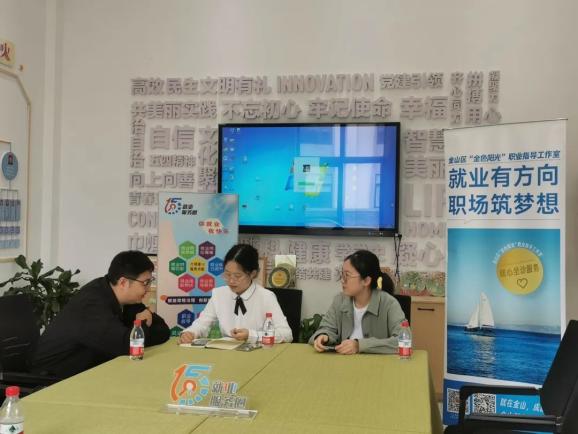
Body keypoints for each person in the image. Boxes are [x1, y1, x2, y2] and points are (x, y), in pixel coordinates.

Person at [31, 251, 170, 378]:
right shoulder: (92, 303)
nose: (148, 289)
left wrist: (141, 326)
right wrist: (144, 323)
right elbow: (128, 346)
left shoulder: (126, 298)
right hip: (53, 379)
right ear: (123, 282)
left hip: (89, 371)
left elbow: (163, 331)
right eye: (145, 283)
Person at [178, 244, 293, 344]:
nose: (231, 281)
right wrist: (191, 333)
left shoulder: (266, 297)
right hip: (226, 354)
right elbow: (202, 324)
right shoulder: (219, 294)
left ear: (253, 274)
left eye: (237, 276)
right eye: (227, 274)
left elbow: (286, 334)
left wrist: (252, 335)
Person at [310, 250, 406, 355]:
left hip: (377, 364)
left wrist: (359, 345)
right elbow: (326, 328)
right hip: (344, 362)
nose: (342, 280)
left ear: (366, 281)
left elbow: (404, 340)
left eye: (347, 275)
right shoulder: (340, 300)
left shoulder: (389, 304)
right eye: (342, 274)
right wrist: (324, 336)